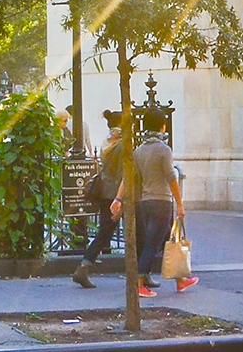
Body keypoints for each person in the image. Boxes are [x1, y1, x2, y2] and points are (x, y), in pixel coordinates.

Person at [112, 130, 192, 296]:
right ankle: (139, 282)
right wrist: (180, 203)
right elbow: (171, 177)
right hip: (162, 201)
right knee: (153, 243)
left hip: (145, 201)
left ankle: (180, 279)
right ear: (163, 127)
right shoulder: (164, 150)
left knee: (165, 240)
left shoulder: (139, 151)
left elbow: (128, 177)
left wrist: (118, 198)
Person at [73, 113, 128, 288]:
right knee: (132, 231)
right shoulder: (122, 146)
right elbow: (122, 173)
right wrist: (121, 197)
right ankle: (142, 273)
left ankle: (84, 266)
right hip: (116, 194)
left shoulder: (108, 143)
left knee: (105, 232)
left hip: (105, 191)